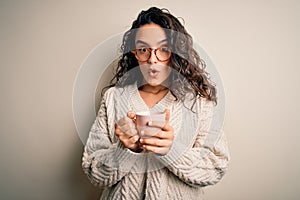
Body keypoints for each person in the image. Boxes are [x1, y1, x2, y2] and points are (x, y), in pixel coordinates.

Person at [82, 7, 229, 200]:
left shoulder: (198, 102)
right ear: (135, 53)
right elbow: (92, 169)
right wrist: (124, 150)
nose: (152, 60)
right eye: (144, 50)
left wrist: (171, 151)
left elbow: (216, 165)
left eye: (164, 50)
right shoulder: (114, 98)